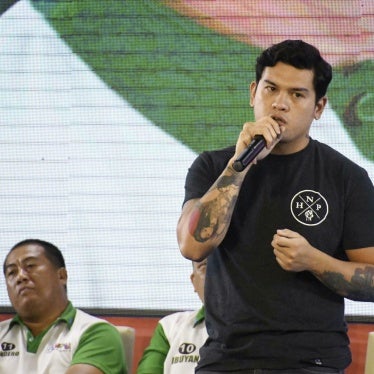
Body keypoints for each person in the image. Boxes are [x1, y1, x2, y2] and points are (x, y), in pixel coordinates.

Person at [176, 39, 374, 373]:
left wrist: (313, 260)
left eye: (297, 95)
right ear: (253, 92)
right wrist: (239, 166)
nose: (279, 104)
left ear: (319, 107)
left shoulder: (345, 177)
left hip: (311, 360)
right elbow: (192, 244)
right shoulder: (214, 166)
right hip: (226, 359)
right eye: (270, 89)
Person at [0, 239, 127, 374]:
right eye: (12, 273)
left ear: (62, 276)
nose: (20, 277)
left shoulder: (95, 332)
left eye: (30, 266)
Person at [137, 258, 208, 373]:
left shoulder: (247, 328)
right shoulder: (169, 327)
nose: (217, 276)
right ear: (193, 281)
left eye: (225, 267)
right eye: (205, 267)